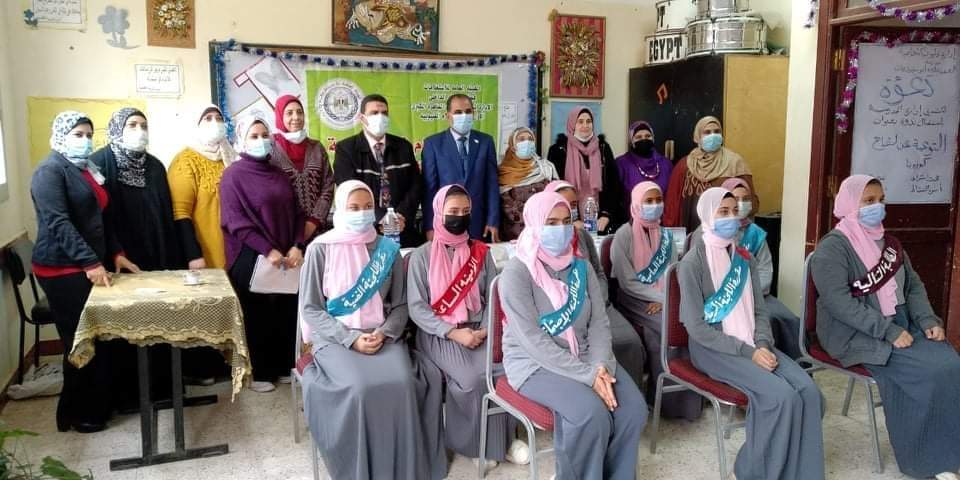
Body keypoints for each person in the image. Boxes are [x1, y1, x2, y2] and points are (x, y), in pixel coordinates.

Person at [811, 175, 960, 480]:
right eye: (868, 201)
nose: (877, 207)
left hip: (900, 324)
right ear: (849, 204)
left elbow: (913, 286)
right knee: (928, 372)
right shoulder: (833, 248)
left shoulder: (889, 243)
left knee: (950, 362)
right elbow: (839, 303)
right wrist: (887, 331)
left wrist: (927, 320)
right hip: (855, 333)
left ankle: (950, 449)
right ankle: (927, 461)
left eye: (880, 200)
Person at [299, 181, 446, 480]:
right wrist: (351, 338)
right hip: (336, 339)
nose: (362, 213)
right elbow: (311, 309)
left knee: (403, 382)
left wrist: (385, 332)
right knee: (360, 389)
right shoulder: (320, 249)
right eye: (354, 208)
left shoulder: (387, 250)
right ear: (340, 209)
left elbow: (401, 305)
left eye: (367, 207)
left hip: (382, 336)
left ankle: (404, 467)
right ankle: (360, 468)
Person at [679, 187, 824, 480]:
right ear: (707, 215)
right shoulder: (692, 263)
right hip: (714, 348)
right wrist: (749, 352)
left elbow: (759, 311)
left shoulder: (745, 258)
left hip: (753, 342)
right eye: (723, 212)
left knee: (810, 394)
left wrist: (763, 344)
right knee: (781, 398)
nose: (732, 218)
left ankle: (798, 471)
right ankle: (749, 471)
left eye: (734, 211)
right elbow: (697, 328)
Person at [498, 191, 646, 480]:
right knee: (591, 414)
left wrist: (599, 366)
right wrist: (588, 376)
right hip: (534, 364)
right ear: (534, 223)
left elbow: (599, 323)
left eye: (566, 221)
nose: (561, 229)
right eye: (551, 222)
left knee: (633, 411)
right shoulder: (517, 273)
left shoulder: (582, 267)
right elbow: (533, 341)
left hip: (587, 354)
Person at [31, 111, 141, 433]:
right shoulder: (49, 171)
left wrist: (116, 253)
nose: (85, 140)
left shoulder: (86, 169)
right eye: (78, 134)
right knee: (80, 340)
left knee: (98, 336)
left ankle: (95, 405)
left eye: (89, 135)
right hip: (61, 269)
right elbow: (59, 223)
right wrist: (90, 263)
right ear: (61, 135)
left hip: (88, 263)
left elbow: (102, 218)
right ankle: (79, 413)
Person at [407, 185, 527, 469]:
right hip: (439, 334)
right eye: (453, 211)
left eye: (465, 211)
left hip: (480, 329)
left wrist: (485, 328)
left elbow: (494, 296)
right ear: (439, 213)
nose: (459, 217)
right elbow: (417, 308)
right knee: (473, 379)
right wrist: (452, 332)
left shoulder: (480, 252)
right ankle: (475, 445)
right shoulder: (422, 256)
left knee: (505, 370)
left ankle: (505, 442)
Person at [90, 107, 177, 411]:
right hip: (119, 257)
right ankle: (127, 394)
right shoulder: (100, 163)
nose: (139, 130)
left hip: (156, 254)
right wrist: (114, 251)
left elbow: (166, 214)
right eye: (132, 125)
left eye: (143, 125)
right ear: (116, 128)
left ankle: (162, 387)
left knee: (158, 321)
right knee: (125, 325)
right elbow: (99, 216)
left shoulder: (154, 166)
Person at [220, 114, 304, 393]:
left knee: (286, 309)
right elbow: (234, 221)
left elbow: (297, 213)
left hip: (285, 254)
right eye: (254, 136)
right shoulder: (232, 175)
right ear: (242, 141)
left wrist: (297, 244)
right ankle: (261, 372)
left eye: (265, 135)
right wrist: (267, 250)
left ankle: (282, 366)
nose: (261, 140)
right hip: (250, 254)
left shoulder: (279, 173)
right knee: (258, 314)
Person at [612, 182, 702, 420]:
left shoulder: (666, 236)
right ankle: (665, 400)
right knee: (667, 326)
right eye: (648, 201)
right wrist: (662, 298)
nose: (655, 205)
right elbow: (627, 282)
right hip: (633, 299)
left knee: (680, 324)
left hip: (662, 299)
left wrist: (666, 299)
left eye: (658, 200)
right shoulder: (623, 235)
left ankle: (679, 403)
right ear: (636, 204)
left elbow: (672, 273)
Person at [547, 180, 646, 389]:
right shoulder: (541, 244)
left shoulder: (582, 236)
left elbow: (599, 272)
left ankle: (629, 394)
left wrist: (597, 298)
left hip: (598, 305)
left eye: (573, 205)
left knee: (629, 342)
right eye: (563, 204)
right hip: (566, 313)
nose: (569, 210)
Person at [717, 177, 803, 360]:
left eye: (745, 199)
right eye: (736, 199)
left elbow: (765, 270)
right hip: (725, 296)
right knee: (760, 322)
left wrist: (750, 291)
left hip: (757, 294)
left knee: (788, 320)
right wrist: (735, 294)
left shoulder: (755, 233)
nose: (741, 204)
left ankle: (794, 365)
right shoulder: (715, 232)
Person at [334, 94, 423, 247]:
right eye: (374, 113)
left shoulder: (403, 146)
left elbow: (415, 186)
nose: (380, 117)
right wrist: (382, 218)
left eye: (384, 113)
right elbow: (348, 189)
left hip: (403, 228)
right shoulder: (346, 149)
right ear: (362, 118)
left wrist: (400, 216)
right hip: (364, 232)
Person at [422, 94, 500, 241]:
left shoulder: (486, 142)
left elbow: (492, 185)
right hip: (446, 222)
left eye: (468, 111)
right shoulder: (433, 144)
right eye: (458, 112)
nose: (464, 116)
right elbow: (429, 190)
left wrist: (493, 221)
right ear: (448, 116)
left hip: (478, 222)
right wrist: (430, 226)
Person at [168, 104, 237, 270]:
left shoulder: (230, 156)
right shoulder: (185, 161)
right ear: (196, 124)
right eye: (208, 118)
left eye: (219, 118)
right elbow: (180, 212)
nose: (215, 123)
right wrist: (193, 255)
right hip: (205, 255)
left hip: (236, 250)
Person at [664, 116, 754, 232]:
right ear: (698, 136)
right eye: (707, 132)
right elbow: (672, 203)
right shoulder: (685, 165)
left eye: (717, 131)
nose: (713, 135)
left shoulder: (735, 162)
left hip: (725, 230)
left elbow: (749, 200)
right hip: (690, 229)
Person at [546, 106, 625, 235]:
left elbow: (613, 184)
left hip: (600, 218)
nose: (585, 125)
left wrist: (606, 215)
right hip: (569, 219)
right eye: (580, 122)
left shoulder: (603, 148)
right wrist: (573, 218)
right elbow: (556, 189)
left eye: (589, 121)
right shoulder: (558, 150)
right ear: (572, 124)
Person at [271, 95, 335, 241]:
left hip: (317, 231)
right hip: (283, 231)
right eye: (289, 113)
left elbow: (328, 186)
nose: (296, 117)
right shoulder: (270, 149)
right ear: (279, 116)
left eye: (299, 112)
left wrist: (313, 222)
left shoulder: (317, 147)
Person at [498, 127, 558, 241]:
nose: (527, 142)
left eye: (530, 139)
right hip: (515, 235)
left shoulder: (546, 167)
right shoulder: (503, 172)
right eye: (521, 139)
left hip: (545, 232)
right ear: (513, 145)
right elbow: (504, 205)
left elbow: (556, 197)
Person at [615, 121, 672, 204]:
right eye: (638, 137)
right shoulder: (621, 164)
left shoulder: (665, 163)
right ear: (632, 141)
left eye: (648, 136)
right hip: (630, 212)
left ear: (653, 138)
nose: (644, 139)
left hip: (661, 211)